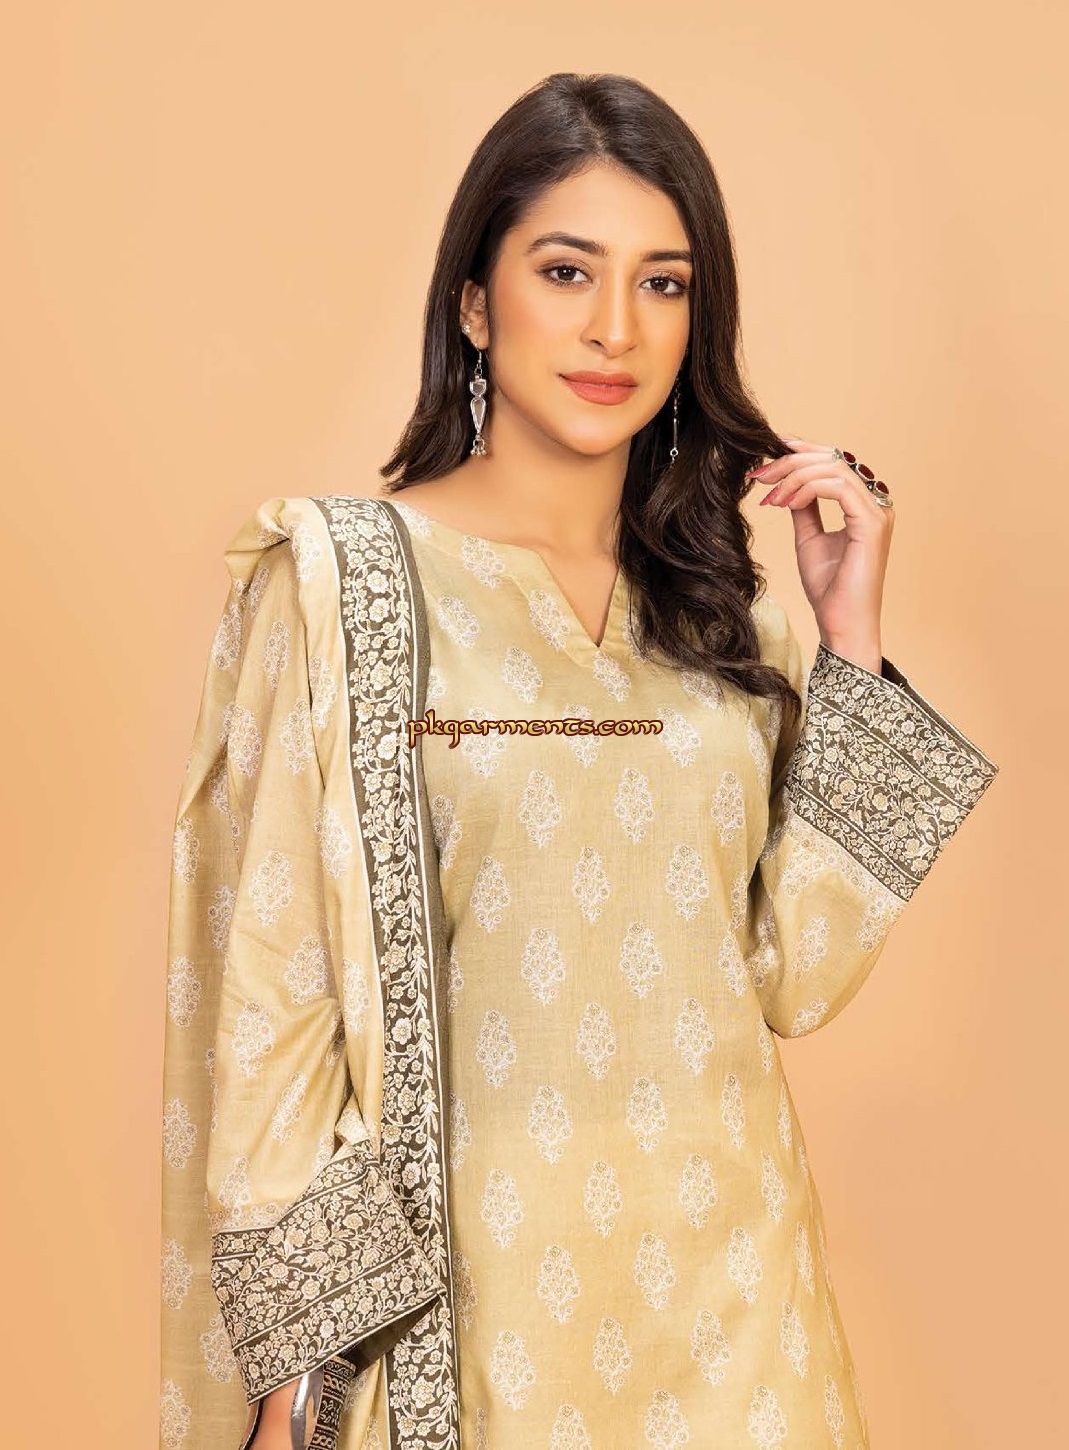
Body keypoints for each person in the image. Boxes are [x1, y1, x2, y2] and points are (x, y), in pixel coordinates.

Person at [159, 71, 1000, 1450]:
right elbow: (278, 996)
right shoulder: (347, 584)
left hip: (744, 1321)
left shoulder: (722, 616)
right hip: (467, 1323)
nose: (617, 327)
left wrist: (849, 642)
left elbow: (794, 973)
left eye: (663, 284)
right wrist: (293, 1396)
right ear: (474, 304)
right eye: (566, 271)